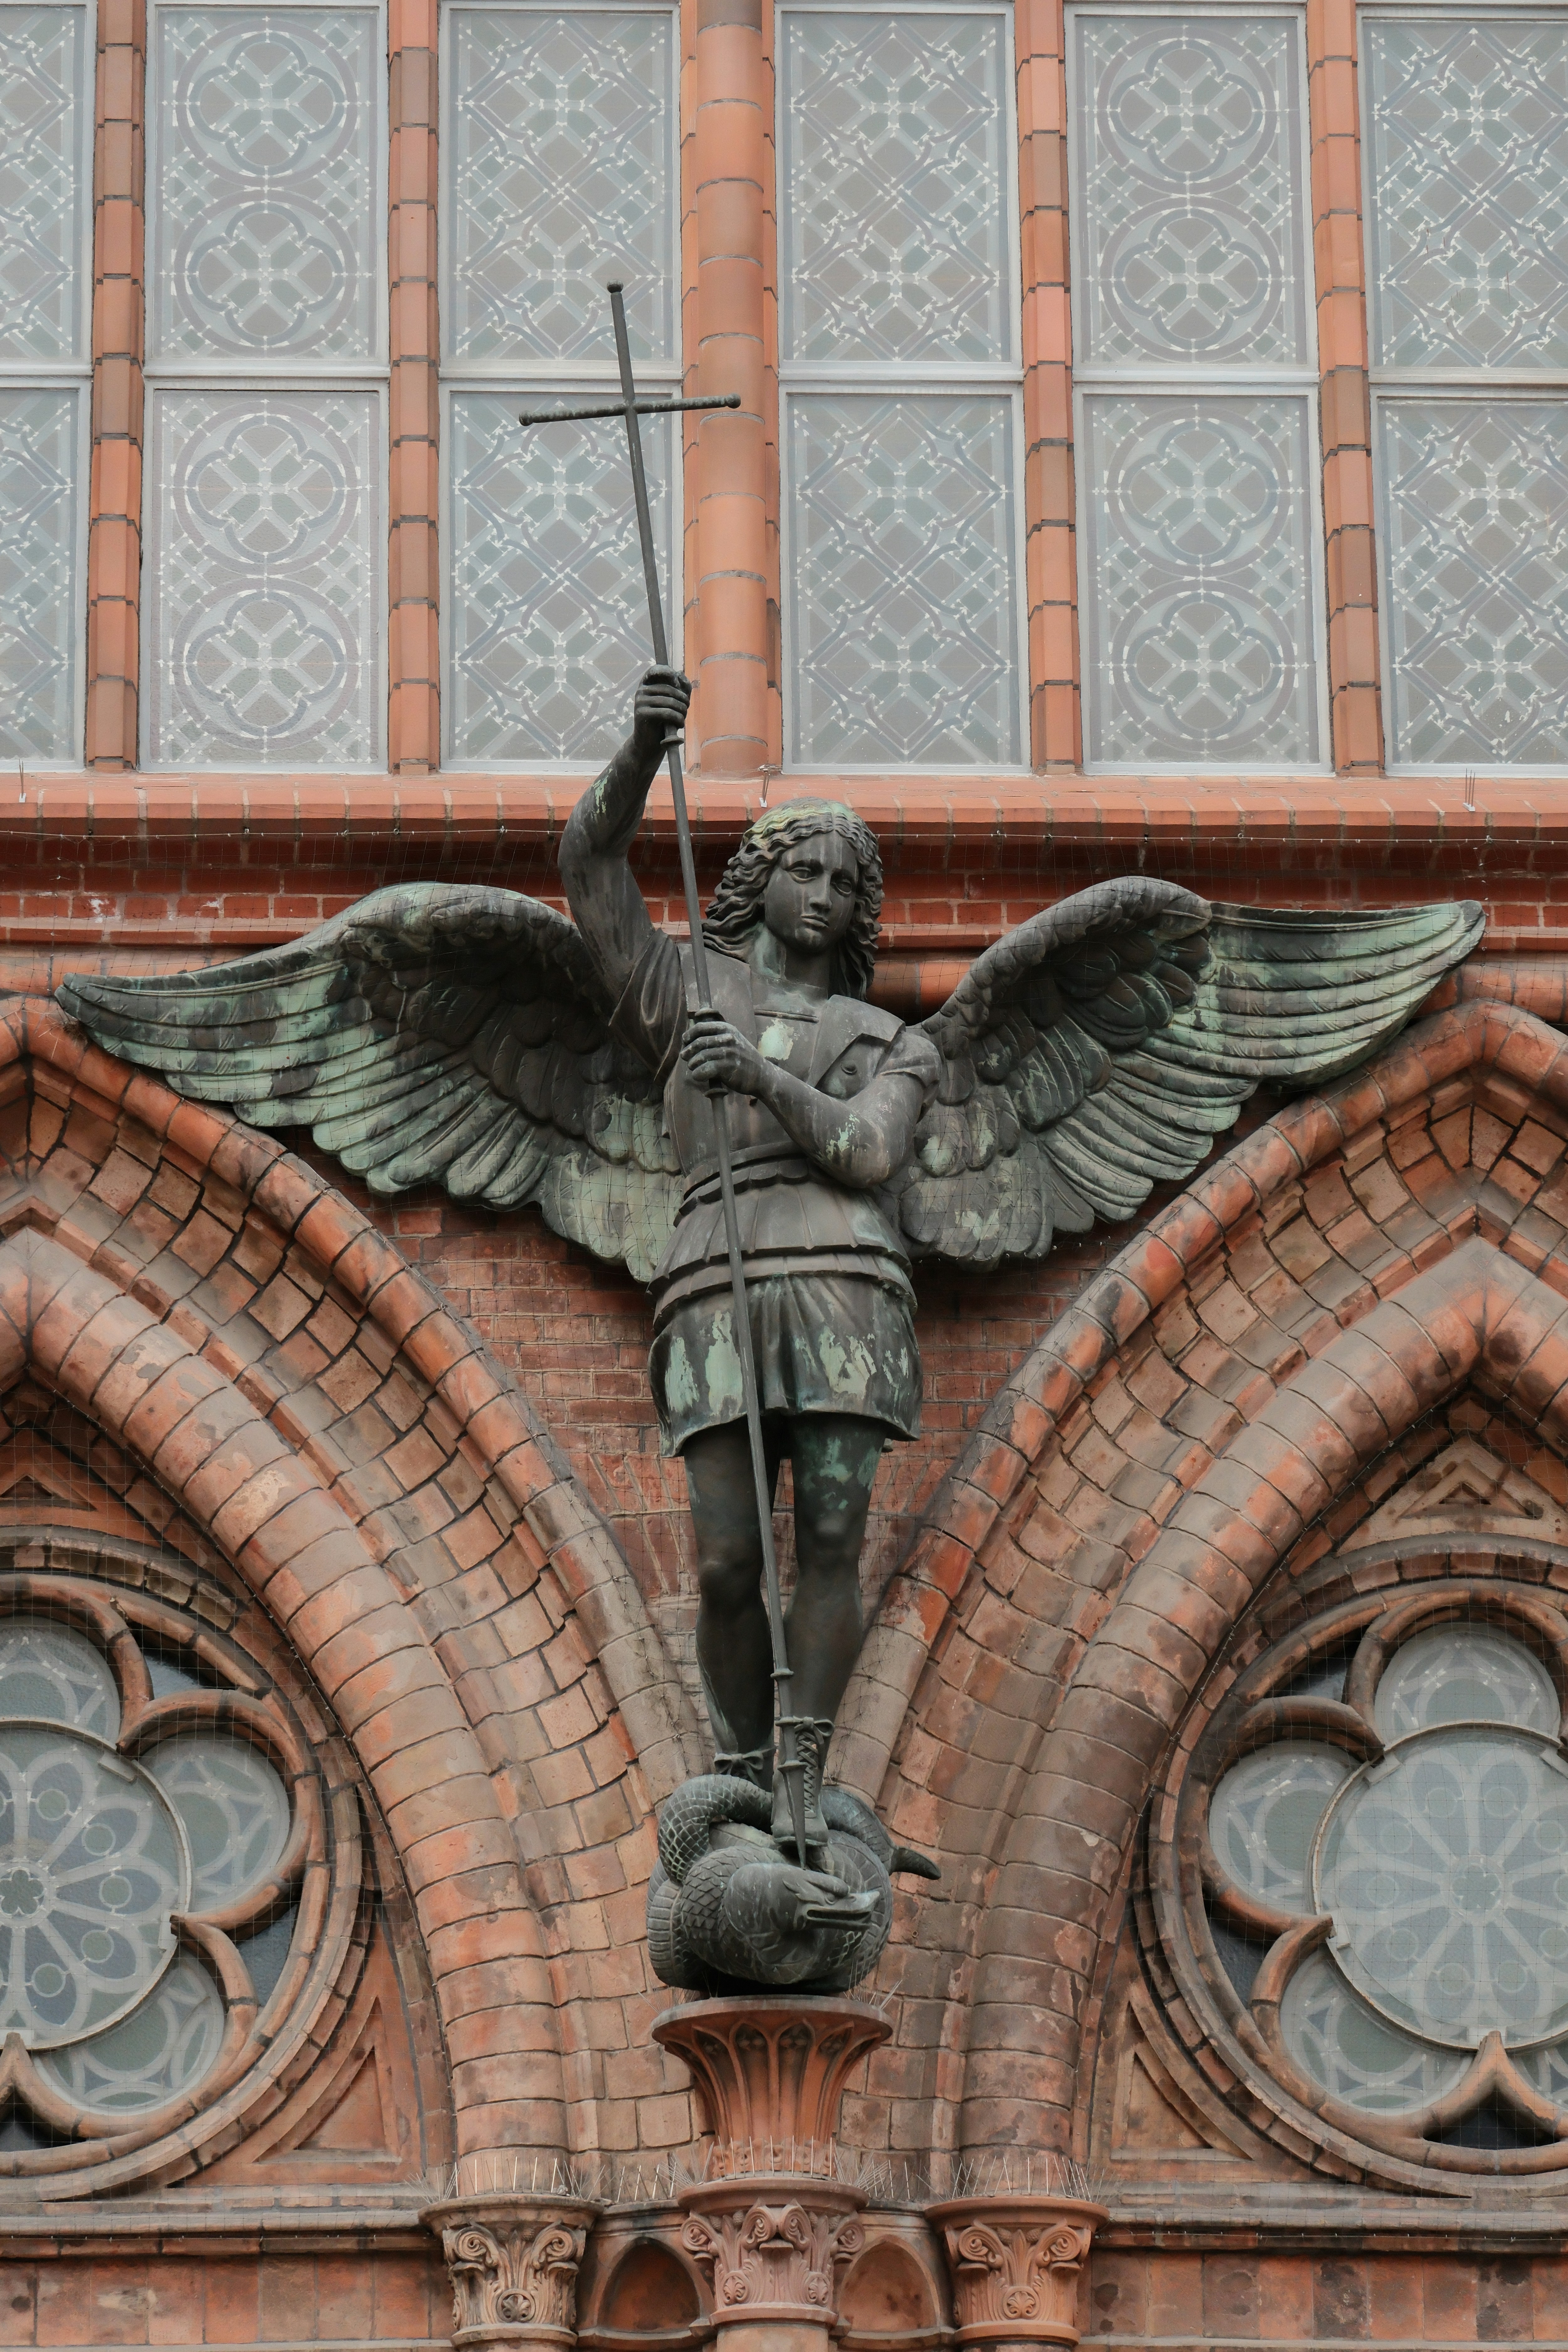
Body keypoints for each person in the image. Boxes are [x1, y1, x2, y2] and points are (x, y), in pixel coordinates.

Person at [560, 666, 940, 1852]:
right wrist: (640, 750)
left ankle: (804, 1773)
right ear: (757, 879)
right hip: (711, 1275)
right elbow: (587, 865)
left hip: (844, 1280)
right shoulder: (683, 990)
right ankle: (739, 1770)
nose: (822, 896)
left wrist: (760, 1077)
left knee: (828, 1538)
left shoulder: (892, 1040)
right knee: (727, 1558)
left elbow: (868, 1152)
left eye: (844, 883)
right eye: (803, 871)